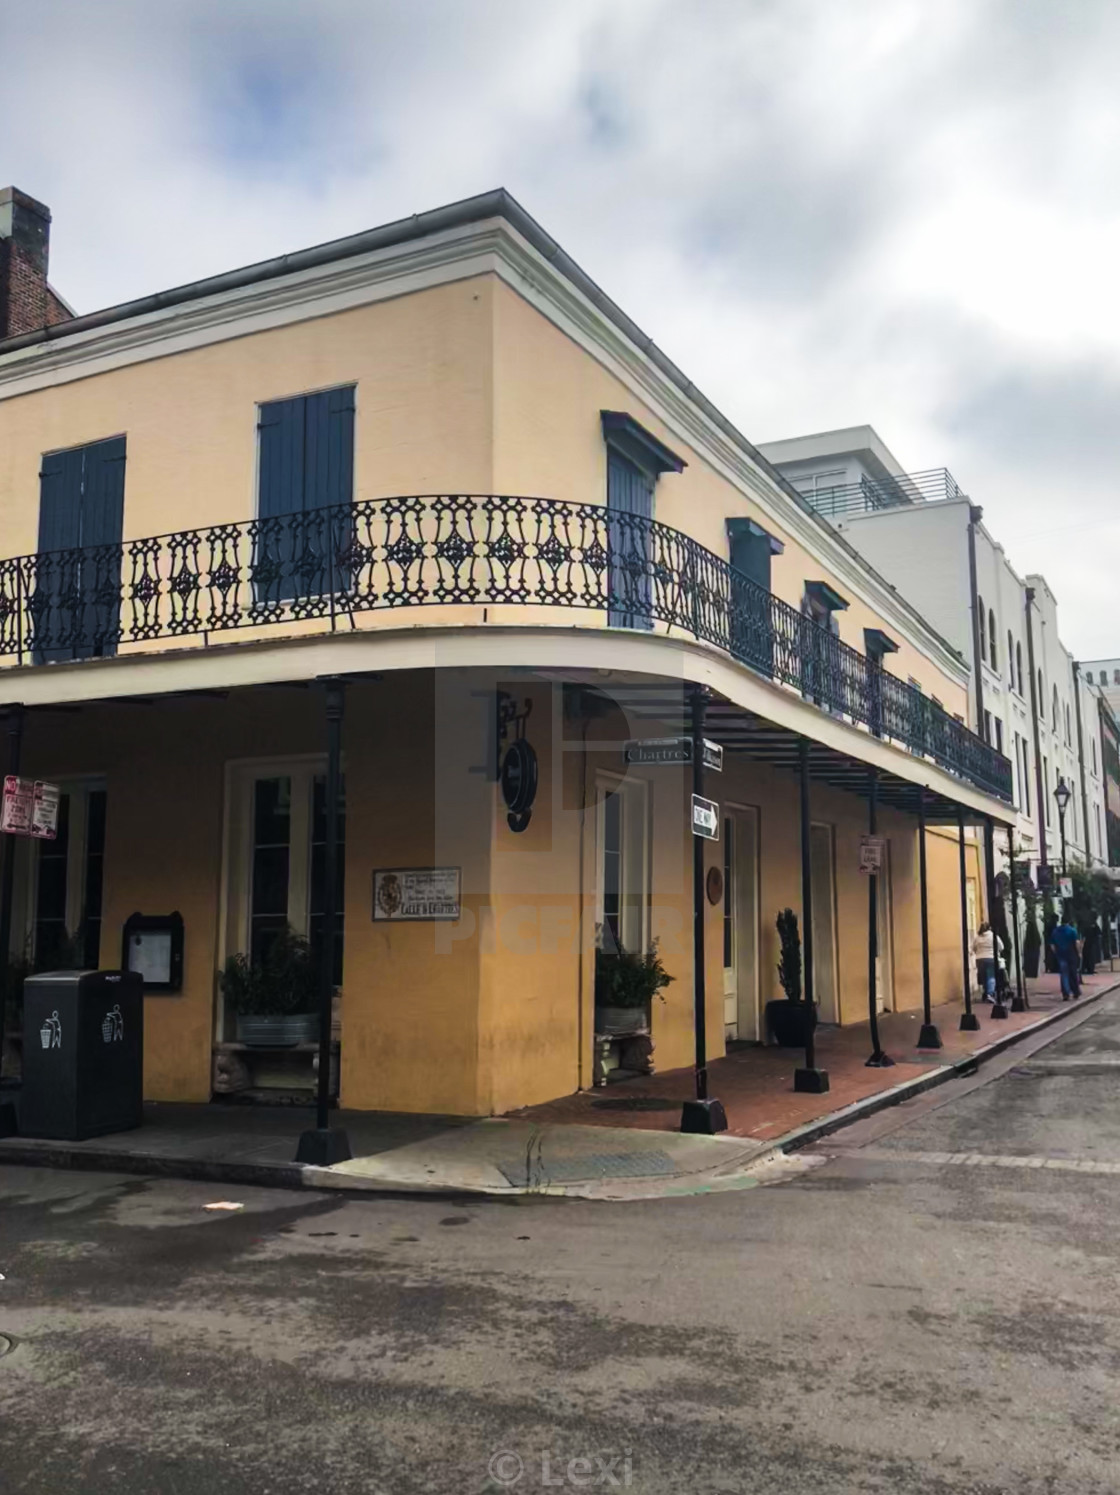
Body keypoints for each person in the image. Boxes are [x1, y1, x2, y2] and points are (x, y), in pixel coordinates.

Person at [1049, 914, 1082, 1000]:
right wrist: (1079, 953)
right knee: (1073, 973)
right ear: (1068, 921)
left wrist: (1056, 953)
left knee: (1064, 974)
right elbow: (1076, 943)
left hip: (1061, 954)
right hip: (1071, 954)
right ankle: (1075, 991)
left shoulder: (1055, 931)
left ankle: (1066, 993)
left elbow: (1052, 945)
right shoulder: (1072, 931)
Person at [972, 922, 997, 1002]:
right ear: (989, 928)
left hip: (979, 959)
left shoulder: (977, 937)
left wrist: (979, 952)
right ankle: (990, 994)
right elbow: (1001, 946)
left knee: (983, 977)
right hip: (990, 958)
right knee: (991, 976)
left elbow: (973, 948)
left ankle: (985, 992)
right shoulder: (993, 936)